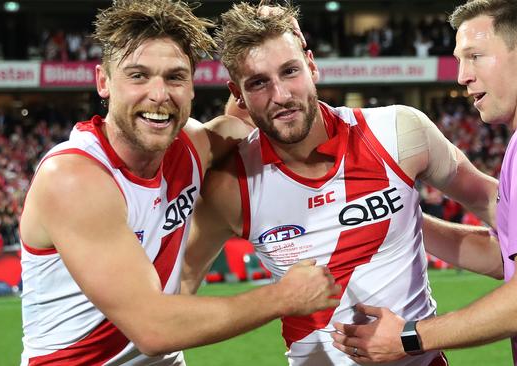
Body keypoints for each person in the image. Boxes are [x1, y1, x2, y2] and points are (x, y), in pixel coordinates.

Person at [18, 1, 341, 365]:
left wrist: (276, 41)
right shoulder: (74, 178)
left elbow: (245, 125)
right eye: (138, 76)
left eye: (175, 77)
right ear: (103, 81)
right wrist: (284, 297)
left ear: (191, 88)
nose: (159, 94)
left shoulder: (190, 148)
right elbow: (153, 329)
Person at [180, 2, 498, 365]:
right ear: (237, 92)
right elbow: (177, 294)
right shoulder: (232, 185)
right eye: (258, 83)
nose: (281, 95)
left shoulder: (399, 132)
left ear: (312, 66)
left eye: (290, 71)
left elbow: (492, 202)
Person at [332, 1, 517, 365]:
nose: (462, 76)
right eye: (459, 59)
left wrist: (409, 336)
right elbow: (511, 259)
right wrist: (403, 221)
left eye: (475, 56)